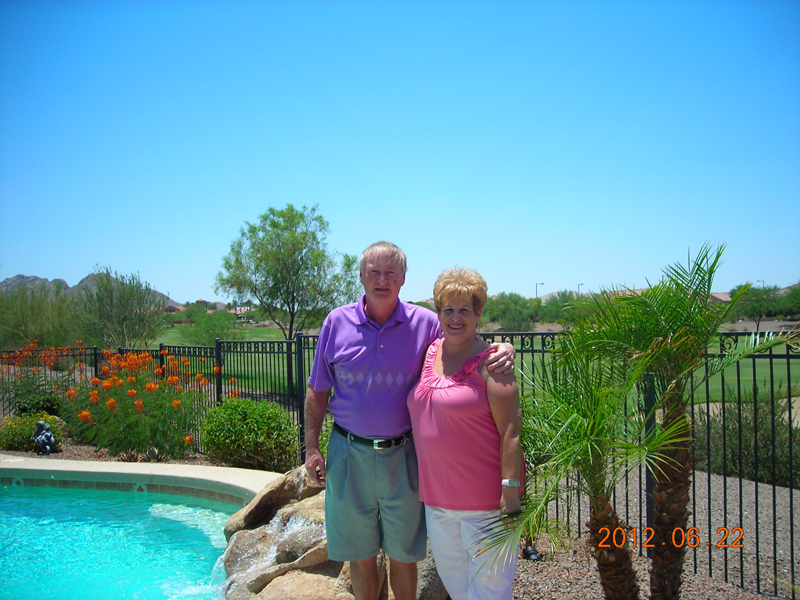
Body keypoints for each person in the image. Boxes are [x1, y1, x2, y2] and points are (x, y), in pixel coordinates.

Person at [304, 242, 515, 600]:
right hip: (348, 452)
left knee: (403, 556)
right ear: (361, 276)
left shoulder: (426, 324)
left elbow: (463, 342)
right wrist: (311, 448)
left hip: (402, 456)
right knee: (360, 555)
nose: (382, 279)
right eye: (374, 272)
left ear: (403, 278)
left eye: (390, 272)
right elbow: (317, 390)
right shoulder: (336, 322)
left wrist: (502, 349)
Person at [407, 267, 523, 600]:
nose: (455, 318)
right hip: (438, 503)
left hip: (487, 506)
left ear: (478, 313)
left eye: (464, 310)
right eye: (448, 310)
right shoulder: (429, 353)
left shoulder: (492, 364)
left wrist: (510, 491)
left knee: (490, 594)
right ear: (438, 312)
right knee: (459, 591)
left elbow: (511, 432)